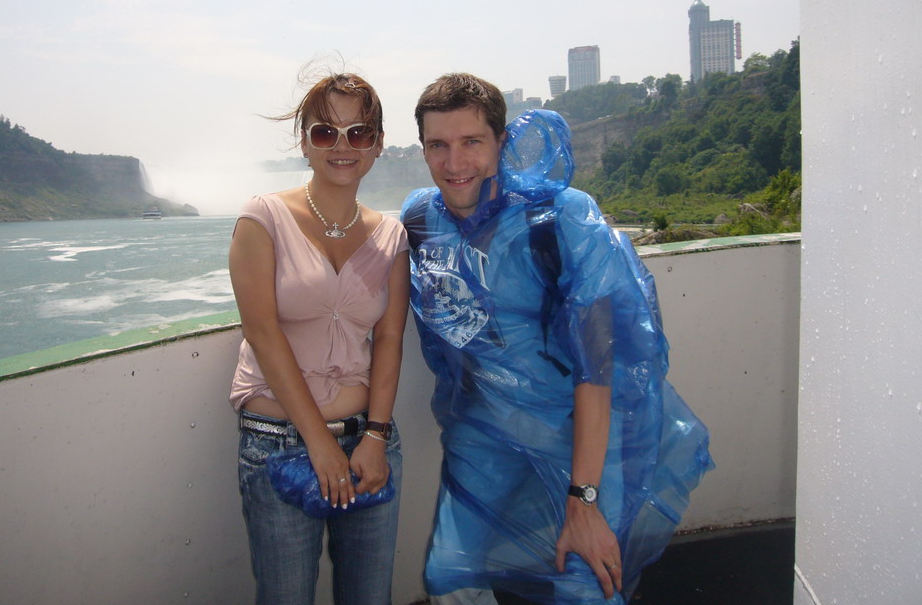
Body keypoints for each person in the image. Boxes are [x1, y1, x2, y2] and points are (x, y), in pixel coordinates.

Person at [401, 73, 713, 604]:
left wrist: (584, 500)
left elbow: (598, 365)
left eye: (471, 142)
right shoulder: (418, 218)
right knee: (451, 576)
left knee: (586, 583)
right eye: (439, 146)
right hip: (482, 431)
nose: (454, 164)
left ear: (502, 141)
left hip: (577, 430)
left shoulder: (560, 219)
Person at [229, 71, 410, 605]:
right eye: (325, 132)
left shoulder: (390, 235)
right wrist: (319, 443)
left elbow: (392, 339)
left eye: (358, 133)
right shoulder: (262, 218)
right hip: (278, 444)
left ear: (377, 145)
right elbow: (262, 333)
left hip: (368, 447)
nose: (342, 146)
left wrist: (374, 437)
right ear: (304, 141)